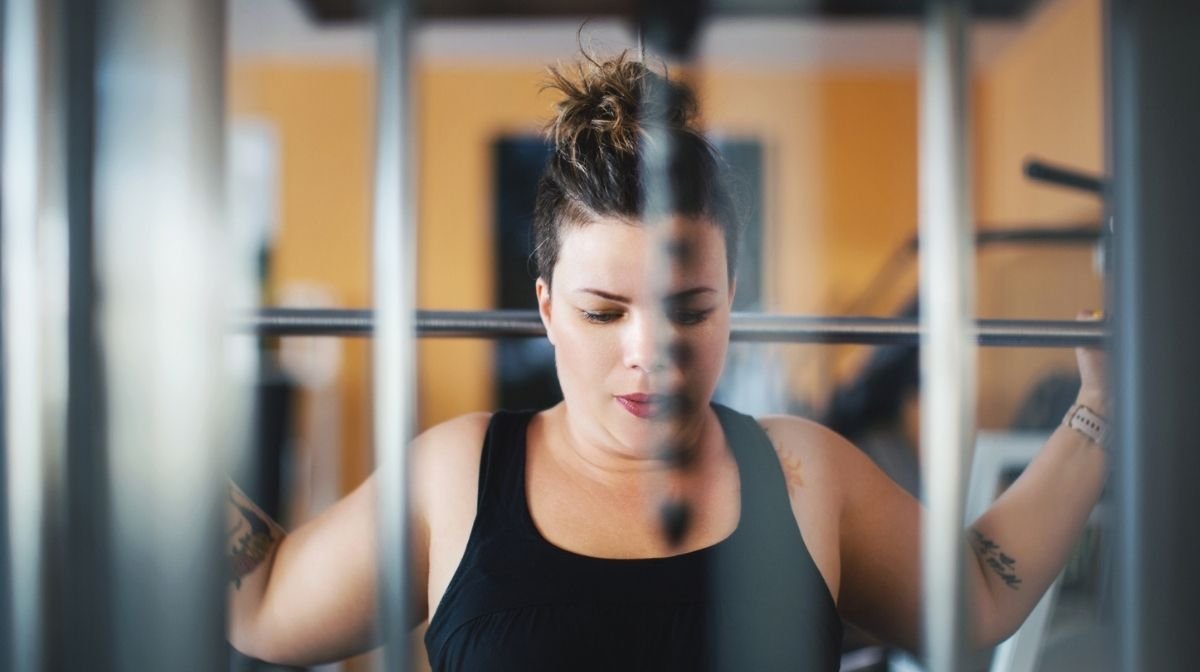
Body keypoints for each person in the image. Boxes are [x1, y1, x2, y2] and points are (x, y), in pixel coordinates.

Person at [225, 53, 1109, 671]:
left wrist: (1101, 413)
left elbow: (975, 605)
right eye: (603, 312)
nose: (650, 353)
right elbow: (262, 602)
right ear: (544, 310)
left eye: (691, 309)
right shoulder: (458, 474)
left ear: (732, 300)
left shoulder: (802, 473)